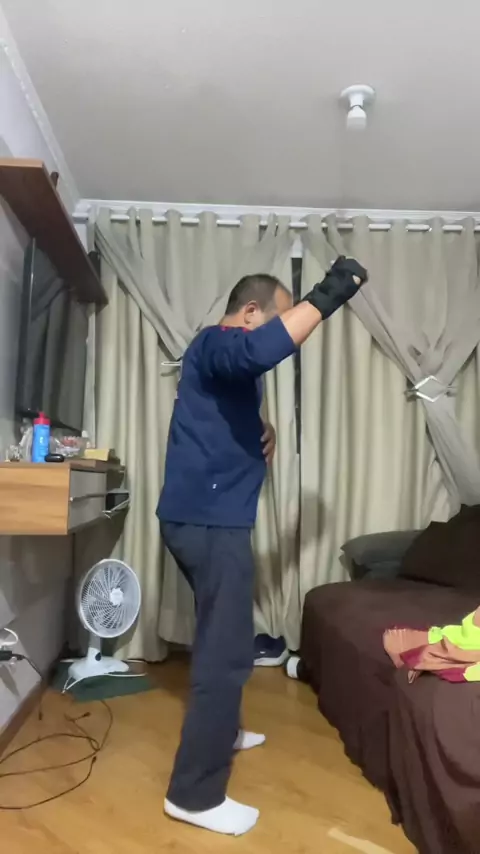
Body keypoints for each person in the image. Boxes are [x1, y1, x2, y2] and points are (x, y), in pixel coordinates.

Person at [157, 256, 368, 836]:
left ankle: (223, 732)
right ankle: (194, 795)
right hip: (210, 523)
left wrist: (262, 429)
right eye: (276, 317)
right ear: (250, 313)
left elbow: (218, 415)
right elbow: (255, 352)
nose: (280, 330)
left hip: (203, 519)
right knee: (226, 655)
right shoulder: (217, 342)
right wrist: (331, 292)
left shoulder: (221, 366)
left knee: (221, 633)